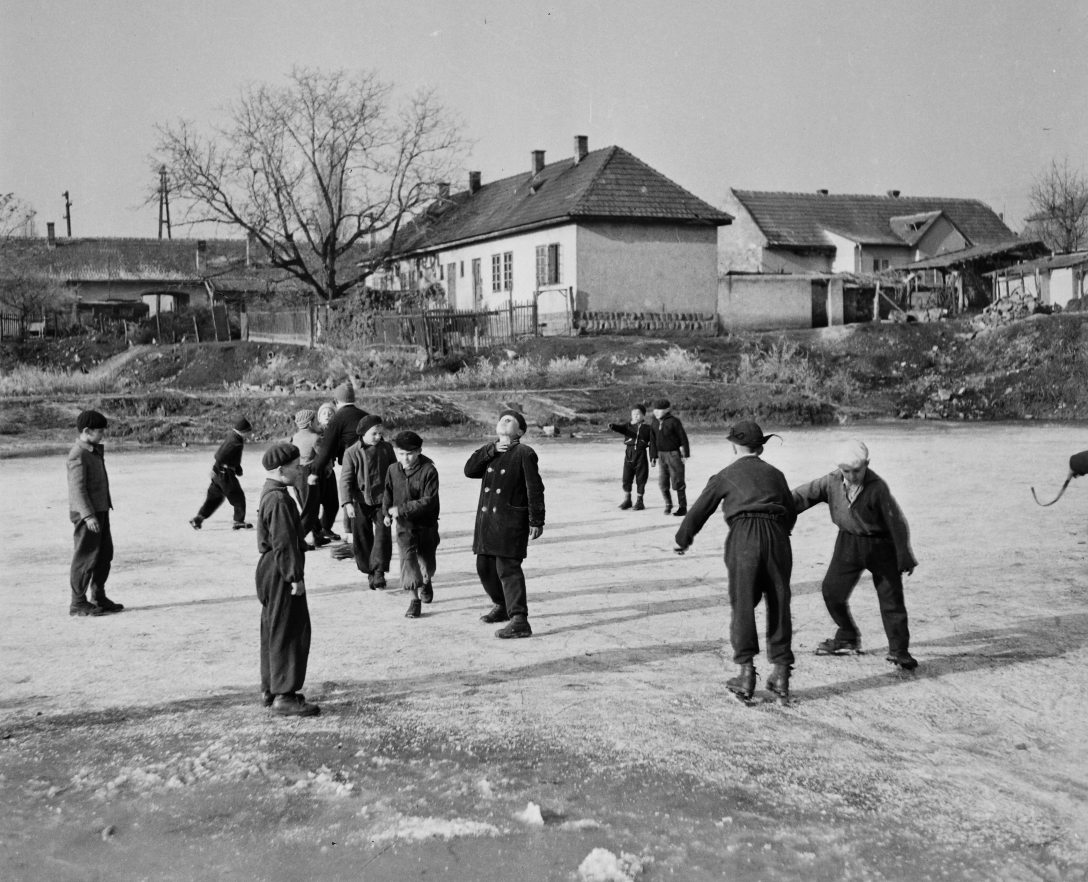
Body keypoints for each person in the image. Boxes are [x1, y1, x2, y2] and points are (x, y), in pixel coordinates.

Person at [674, 420, 796, 702]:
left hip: (745, 539)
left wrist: (683, 539)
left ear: (734, 445)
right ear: (760, 448)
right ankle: (781, 673)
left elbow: (699, 511)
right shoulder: (776, 475)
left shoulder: (725, 475)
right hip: (778, 539)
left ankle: (745, 673)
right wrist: (779, 532)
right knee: (779, 602)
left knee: (743, 603)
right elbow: (790, 510)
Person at [791, 439, 919, 670]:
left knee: (891, 600)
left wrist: (904, 553)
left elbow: (896, 521)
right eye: (846, 471)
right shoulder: (831, 481)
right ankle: (847, 634)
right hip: (848, 543)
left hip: (882, 545)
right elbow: (802, 496)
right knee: (832, 591)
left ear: (867, 464)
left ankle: (899, 651)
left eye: (857, 470)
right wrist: (777, 506)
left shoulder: (878, 487)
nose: (851, 476)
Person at [464, 410, 546, 638]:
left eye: (510, 420)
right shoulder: (490, 451)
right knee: (485, 567)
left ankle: (519, 619)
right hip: (488, 523)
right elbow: (469, 470)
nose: (504, 420)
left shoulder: (524, 453)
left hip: (511, 523)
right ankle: (501, 605)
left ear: (520, 431)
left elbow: (535, 488)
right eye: (502, 418)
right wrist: (490, 450)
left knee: (507, 569)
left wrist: (536, 519)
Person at [256, 442, 319, 717]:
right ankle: (285, 695)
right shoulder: (280, 499)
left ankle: (271, 688)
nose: (299, 470)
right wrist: (295, 577)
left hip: (270, 568)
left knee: (273, 627)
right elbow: (284, 542)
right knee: (290, 630)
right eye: (296, 467)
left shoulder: (272, 492)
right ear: (282, 470)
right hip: (281, 569)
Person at [67, 410, 124, 616]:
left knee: (104, 554)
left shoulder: (92, 450)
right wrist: (88, 516)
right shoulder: (78, 454)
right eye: (99, 431)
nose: (102, 435)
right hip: (88, 515)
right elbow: (77, 489)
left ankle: (99, 596)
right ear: (86, 431)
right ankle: (78, 602)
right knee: (86, 557)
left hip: (100, 510)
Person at [383, 431, 441, 619]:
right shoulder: (392, 470)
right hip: (404, 525)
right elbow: (388, 493)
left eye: (409, 454)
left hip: (426, 523)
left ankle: (427, 580)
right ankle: (414, 600)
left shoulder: (429, 471)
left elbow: (429, 500)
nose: (405, 458)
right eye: (400, 454)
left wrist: (401, 509)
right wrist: (386, 513)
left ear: (419, 452)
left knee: (427, 560)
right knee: (407, 560)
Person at [339, 414, 394, 589]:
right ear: (363, 433)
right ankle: (369, 570)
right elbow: (345, 479)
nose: (378, 437)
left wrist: (396, 498)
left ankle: (378, 572)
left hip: (382, 501)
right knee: (362, 537)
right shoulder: (351, 452)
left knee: (382, 537)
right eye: (374, 434)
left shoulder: (387, 449)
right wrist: (347, 503)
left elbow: (395, 474)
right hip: (360, 502)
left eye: (380, 433)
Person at [190, 417, 253, 530]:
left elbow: (231, 456)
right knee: (238, 497)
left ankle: (198, 518)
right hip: (225, 474)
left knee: (214, 499)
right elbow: (221, 455)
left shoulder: (234, 438)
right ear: (243, 431)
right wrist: (215, 468)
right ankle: (238, 521)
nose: (249, 434)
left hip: (220, 474)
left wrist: (237, 468)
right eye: (248, 432)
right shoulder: (235, 441)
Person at [290, 409, 331, 548]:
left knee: (305, 506)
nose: (316, 423)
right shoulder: (315, 438)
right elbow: (323, 457)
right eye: (314, 420)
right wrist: (328, 468)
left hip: (296, 474)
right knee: (311, 509)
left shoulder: (295, 437)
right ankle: (297, 539)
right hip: (309, 473)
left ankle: (317, 536)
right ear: (309, 423)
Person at [649, 398, 690, 516]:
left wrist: (685, 453)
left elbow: (683, 437)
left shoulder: (674, 421)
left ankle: (683, 507)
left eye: (659, 410)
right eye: (654, 410)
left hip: (674, 455)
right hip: (661, 455)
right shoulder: (654, 422)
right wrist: (652, 456)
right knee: (662, 482)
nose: (656, 412)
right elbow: (652, 440)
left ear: (667, 410)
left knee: (677, 481)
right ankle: (668, 504)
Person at [609, 404, 652, 511]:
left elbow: (653, 444)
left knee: (641, 478)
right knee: (626, 477)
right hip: (629, 453)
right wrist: (613, 426)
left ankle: (640, 501)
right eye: (633, 414)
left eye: (638, 414)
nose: (635, 416)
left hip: (641, 455)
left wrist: (653, 457)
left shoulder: (647, 428)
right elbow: (621, 428)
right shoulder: (628, 426)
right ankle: (627, 500)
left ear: (643, 415)